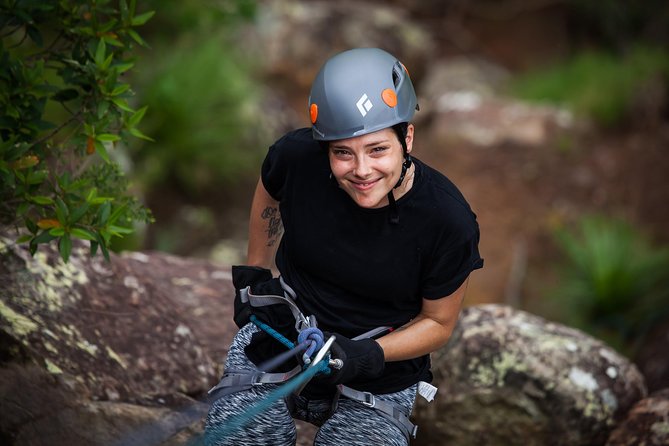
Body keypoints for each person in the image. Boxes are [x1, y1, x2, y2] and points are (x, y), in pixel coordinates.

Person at [205, 47, 483, 446]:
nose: (362, 170)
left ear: (407, 137)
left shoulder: (446, 220)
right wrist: (256, 272)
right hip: (287, 331)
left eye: (378, 149)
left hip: (381, 366)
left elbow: (438, 324)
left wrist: (366, 354)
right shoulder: (298, 158)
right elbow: (271, 189)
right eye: (343, 153)